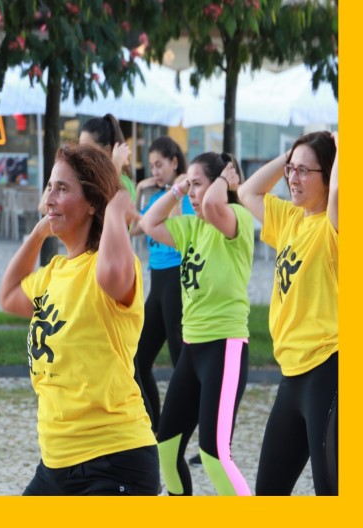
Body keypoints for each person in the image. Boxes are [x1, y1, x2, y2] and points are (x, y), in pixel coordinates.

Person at [0, 143, 159, 496]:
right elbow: (8, 296)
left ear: (91, 204)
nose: (49, 198)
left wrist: (116, 212)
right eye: (49, 187)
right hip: (56, 463)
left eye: (63, 188)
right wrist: (40, 233)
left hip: (113, 460)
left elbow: (113, 275)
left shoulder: (112, 265)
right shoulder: (55, 271)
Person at [138, 152, 253, 496]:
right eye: (190, 184)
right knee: (167, 448)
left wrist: (223, 183)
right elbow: (149, 223)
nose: (192, 192)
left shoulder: (237, 219)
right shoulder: (192, 227)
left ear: (222, 185)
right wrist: (178, 189)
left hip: (226, 346)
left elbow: (217, 206)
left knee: (214, 455)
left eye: (197, 184)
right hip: (192, 349)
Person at [238, 131, 338, 495]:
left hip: (328, 370)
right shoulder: (290, 219)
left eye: (303, 172)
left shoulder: (333, 225)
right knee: (268, 493)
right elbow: (247, 192)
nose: (292, 179)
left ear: (328, 175)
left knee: (331, 494)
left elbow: (340, 195)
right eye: (290, 171)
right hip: (291, 373)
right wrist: (292, 157)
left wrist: (340, 146)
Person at [131, 136, 193, 432]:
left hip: (176, 280)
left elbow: (182, 228)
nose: (155, 171)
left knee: (183, 363)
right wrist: (140, 190)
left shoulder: (185, 196)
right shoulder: (155, 198)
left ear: (174, 163)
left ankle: (196, 428)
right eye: (151, 166)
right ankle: (154, 426)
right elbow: (132, 229)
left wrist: (179, 189)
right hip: (157, 284)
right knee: (138, 359)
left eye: (160, 165)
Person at [79, 114, 137, 204]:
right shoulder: (82, 175)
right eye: (80, 148)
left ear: (107, 150)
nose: (81, 154)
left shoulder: (124, 183)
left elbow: (102, 206)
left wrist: (116, 165)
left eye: (88, 149)